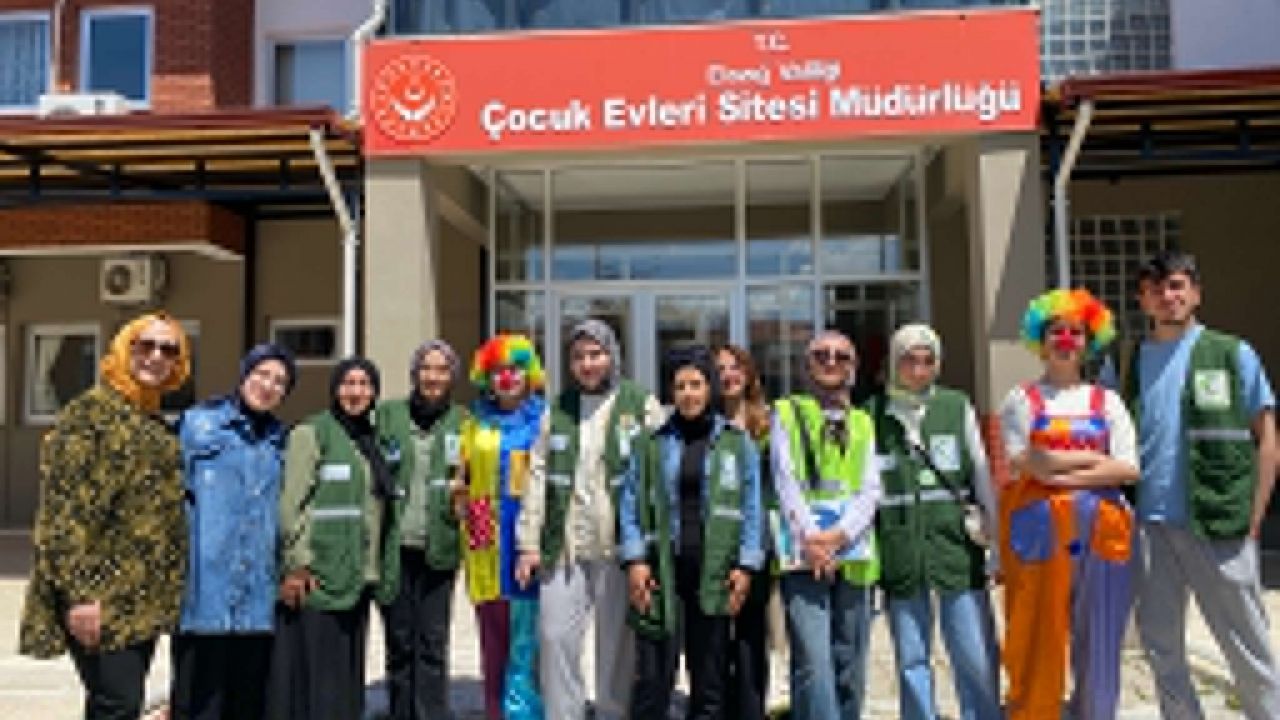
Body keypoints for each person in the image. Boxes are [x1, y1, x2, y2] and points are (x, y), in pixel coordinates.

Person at [1123, 251, 1280, 719]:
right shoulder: (1131, 359)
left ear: (1195, 292)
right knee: (1161, 646)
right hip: (1150, 530)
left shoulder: (1232, 353)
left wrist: (1254, 519)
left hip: (1219, 523)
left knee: (1247, 645)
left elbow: (1268, 441)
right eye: (1156, 289)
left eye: (1176, 285)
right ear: (1143, 300)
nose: (1167, 296)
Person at [19, 312, 192, 720]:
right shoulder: (89, 415)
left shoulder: (153, 422)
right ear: (123, 349)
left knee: (115, 704)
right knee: (117, 703)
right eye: (145, 345)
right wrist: (80, 597)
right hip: (100, 594)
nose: (156, 356)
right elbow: (63, 514)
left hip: (141, 599)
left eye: (169, 349)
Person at [514, 319, 665, 720]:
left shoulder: (641, 405)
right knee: (555, 638)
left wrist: (651, 547)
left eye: (595, 354)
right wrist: (528, 542)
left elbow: (658, 474)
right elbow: (537, 476)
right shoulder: (557, 409)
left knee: (616, 645)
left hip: (620, 547)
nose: (587, 364)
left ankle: (612, 712)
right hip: (565, 545)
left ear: (612, 355)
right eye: (578, 356)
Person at [999, 288, 1138, 720]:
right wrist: (1096, 460)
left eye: (1075, 332)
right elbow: (1026, 462)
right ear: (1040, 341)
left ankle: (1095, 712)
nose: (1065, 340)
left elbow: (1129, 468)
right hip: (1038, 532)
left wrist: (1060, 474)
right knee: (1036, 631)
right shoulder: (1020, 399)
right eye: (1055, 331)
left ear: (1089, 341)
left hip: (1102, 532)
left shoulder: (1108, 401)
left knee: (1100, 632)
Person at [621, 346, 765, 719]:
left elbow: (753, 510)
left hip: (713, 576)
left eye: (696, 384)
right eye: (680, 386)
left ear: (710, 387)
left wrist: (746, 566)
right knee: (653, 681)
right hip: (661, 577)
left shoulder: (738, 443)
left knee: (710, 684)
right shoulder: (649, 443)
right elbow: (630, 503)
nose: (688, 394)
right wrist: (635, 560)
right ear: (670, 392)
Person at [867, 324, 1001, 720]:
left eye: (928, 361)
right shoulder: (872, 413)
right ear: (894, 363)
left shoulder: (955, 406)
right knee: (911, 657)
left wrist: (995, 542)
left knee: (974, 652)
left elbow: (980, 472)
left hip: (954, 547)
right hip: (901, 549)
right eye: (909, 360)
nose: (918, 369)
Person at [171, 344, 296, 720]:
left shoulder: (281, 440)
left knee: (247, 704)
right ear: (244, 375)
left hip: (256, 601)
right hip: (204, 598)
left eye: (280, 382)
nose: (268, 386)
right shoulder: (197, 425)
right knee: (199, 703)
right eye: (262, 374)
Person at [270, 357, 399, 720]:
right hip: (319, 575)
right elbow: (290, 506)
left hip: (359, 575)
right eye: (348, 383)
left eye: (364, 384)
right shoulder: (311, 433)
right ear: (334, 389)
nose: (355, 392)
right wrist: (297, 564)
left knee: (346, 674)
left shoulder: (371, 440)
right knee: (320, 676)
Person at [770, 330, 881, 720]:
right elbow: (785, 481)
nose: (831, 362)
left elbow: (870, 489)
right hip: (804, 555)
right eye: (821, 355)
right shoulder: (787, 412)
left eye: (841, 356)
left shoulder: (864, 422)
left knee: (851, 665)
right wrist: (814, 541)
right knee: (814, 665)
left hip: (855, 555)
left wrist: (838, 537)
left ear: (853, 367)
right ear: (806, 365)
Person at [376, 340, 468, 720]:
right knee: (399, 639)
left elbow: (477, 480)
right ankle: (400, 711)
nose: (433, 376)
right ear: (414, 374)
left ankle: (431, 712)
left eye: (442, 369)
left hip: (440, 546)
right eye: (426, 368)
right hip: (395, 547)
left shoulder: (464, 421)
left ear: (452, 377)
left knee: (433, 640)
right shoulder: (388, 415)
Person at [459, 334, 547, 720]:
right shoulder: (473, 423)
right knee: (493, 636)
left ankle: (528, 713)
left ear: (529, 374)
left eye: (514, 370)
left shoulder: (546, 420)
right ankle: (496, 711)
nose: (506, 378)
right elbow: (460, 474)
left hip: (530, 538)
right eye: (497, 371)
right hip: (486, 539)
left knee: (528, 637)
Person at [714, 343, 778, 720]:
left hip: (758, 544)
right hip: (715, 543)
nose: (728, 375)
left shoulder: (769, 425)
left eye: (735, 366)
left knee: (751, 636)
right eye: (720, 369)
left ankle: (752, 709)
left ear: (749, 373)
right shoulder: (705, 424)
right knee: (715, 637)